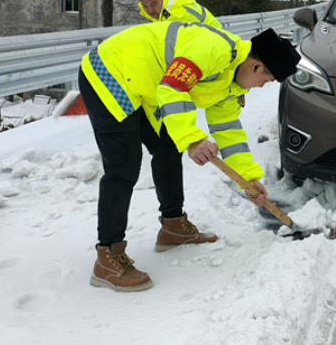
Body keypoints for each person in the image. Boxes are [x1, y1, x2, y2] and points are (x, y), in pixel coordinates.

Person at [78, 23, 300, 291]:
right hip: (111, 72)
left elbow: (229, 132)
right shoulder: (212, 50)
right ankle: (108, 255)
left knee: (168, 147)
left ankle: (172, 227)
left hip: (146, 85)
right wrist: (193, 139)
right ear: (256, 67)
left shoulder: (233, 84)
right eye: (267, 80)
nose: (262, 86)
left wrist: (249, 180)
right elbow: (172, 89)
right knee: (123, 165)